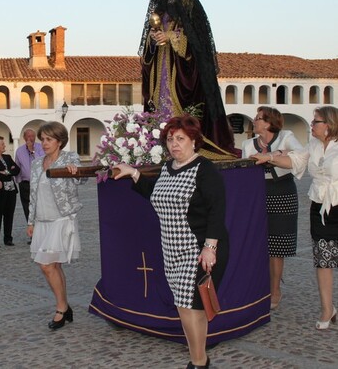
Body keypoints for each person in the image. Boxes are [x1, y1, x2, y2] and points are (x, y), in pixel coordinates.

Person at [114, 115, 229, 369]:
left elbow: (217, 211)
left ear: (194, 141)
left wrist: (210, 248)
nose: (174, 144)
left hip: (198, 248)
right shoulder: (168, 168)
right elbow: (156, 194)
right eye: (170, 139)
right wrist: (133, 172)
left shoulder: (204, 168)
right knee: (187, 308)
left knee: (190, 307)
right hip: (172, 249)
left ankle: (198, 362)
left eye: (181, 139)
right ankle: (200, 359)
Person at [139, 0, 236, 160]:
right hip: (162, 64)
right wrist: (154, 38)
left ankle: (187, 144)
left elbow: (198, 39)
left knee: (183, 108)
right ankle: (161, 144)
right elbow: (148, 41)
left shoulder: (188, 4)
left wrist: (172, 37)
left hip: (183, 67)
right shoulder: (159, 10)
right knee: (159, 104)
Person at [251, 106, 338, 330]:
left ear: (328, 125)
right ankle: (328, 309)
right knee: (323, 260)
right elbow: (295, 161)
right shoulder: (314, 145)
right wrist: (267, 157)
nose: (312, 124)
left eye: (316, 121)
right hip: (320, 208)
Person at [27, 121, 87, 330]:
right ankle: (65, 306)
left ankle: (61, 307)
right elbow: (32, 194)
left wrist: (75, 172)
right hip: (42, 220)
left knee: (46, 265)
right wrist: (31, 221)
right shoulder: (36, 163)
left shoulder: (70, 158)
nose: (44, 143)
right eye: (42, 139)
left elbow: (82, 180)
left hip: (61, 219)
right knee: (54, 265)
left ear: (59, 141)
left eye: (49, 139)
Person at [242, 107, 302, 309]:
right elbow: (245, 169)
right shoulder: (248, 144)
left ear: (268, 123)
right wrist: (279, 155)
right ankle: (260, 287)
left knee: (277, 247)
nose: (254, 121)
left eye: (258, 118)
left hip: (282, 193)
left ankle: (275, 290)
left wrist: (271, 156)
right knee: (258, 243)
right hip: (259, 193)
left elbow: (299, 157)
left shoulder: (286, 137)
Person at [0, 135, 20, 247]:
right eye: (2, 144)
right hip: (0, 191)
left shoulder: (7, 157)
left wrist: (7, 172)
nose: (4, 145)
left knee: (9, 214)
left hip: (11, 189)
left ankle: (8, 238)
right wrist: (8, 171)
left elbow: (16, 169)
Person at [15, 128, 45, 224]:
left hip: (39, 183)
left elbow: (42, 162)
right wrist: (19, 181)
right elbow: (17, 166)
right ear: (24, 138)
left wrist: (32, 151)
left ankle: (40, 233)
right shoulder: (19, 150)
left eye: (32, 136)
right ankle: (32, 232)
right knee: (27, 208)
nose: (31, 138)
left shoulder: (41, 147)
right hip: (25, 184)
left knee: (39, 208)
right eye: (28, 136)